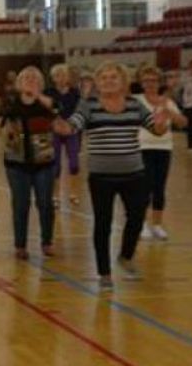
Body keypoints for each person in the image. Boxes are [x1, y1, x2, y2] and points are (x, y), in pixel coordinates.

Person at [54, 62, 168, 290]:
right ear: (97, 83)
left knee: (136, 218)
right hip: (101, 176)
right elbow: (72, 126)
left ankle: (125, 256)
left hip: (134, 173)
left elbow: (156, 130)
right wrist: (61, 125)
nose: (108, 81)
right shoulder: (89, 106)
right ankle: (104, 272)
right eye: (103, 77)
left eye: (113, 77)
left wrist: (161, 123)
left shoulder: (134, 105)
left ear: (123, 81)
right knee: (103, 223)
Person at [0, 66, 59, 260]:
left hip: (43, 161)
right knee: (20, 204)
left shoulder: (47, 102)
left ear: (41, 83)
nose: (30, 80)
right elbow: (0, 113)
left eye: (34, 78)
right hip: (16, 162)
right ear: (19, 82)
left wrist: (38, 97)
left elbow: (59, 113)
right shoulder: (11, 101)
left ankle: (47, 241)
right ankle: (20, 245)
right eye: (26, 77)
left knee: (45, 203)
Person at [135, 65, 187, 241]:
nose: (150, 84)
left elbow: (183, 123)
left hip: (164, 148)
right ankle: (141, 224)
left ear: (159, 83)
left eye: (154, 80)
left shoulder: (167, 102)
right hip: (142, 147)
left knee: (159, 187)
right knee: (144, 187)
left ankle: (157, 224)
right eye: (146, 80)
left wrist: (169, 112)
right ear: (141, 83)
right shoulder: (136, 101)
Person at [49, 64, 83, 207]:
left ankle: (74, 193)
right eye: (58, 75)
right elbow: (47, 110)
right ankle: (55, 195)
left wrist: (70, 125)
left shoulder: (75, 92)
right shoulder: (49, 92)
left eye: (64, 74)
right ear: (53, 78)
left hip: (71, 130)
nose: (61, 78)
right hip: (54, 131)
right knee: (55, 165)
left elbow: (79, 111)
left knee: (74, 163)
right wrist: (55, 122)